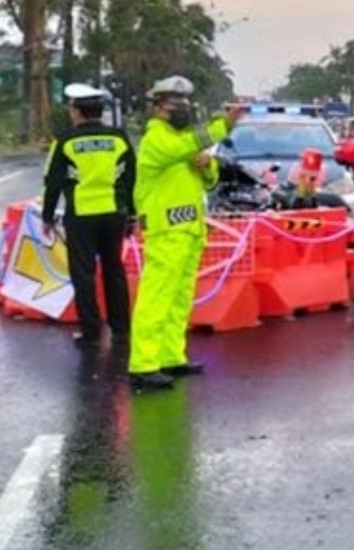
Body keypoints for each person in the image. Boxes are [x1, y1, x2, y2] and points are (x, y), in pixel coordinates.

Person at [128, 77, 245, 390]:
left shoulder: (182, 143)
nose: (181, 109)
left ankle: (170, 356)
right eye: (173, 104)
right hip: (166, 232)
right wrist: (222, 126)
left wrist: (207, 165)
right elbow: (180, 149)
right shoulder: (157, 140)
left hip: (189, 230)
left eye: (184, 103)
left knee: (179, 298)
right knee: (157, 298)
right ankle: (143, 363)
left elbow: (209, 181)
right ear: (157, 107)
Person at [42, 83, 137, 350]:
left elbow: (53, 181)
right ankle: (121, 329)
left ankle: (91, 330)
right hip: (113, 213)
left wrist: (47, 217)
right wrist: (131, 214)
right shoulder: (118, 138)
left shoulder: (65, 140)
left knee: (83, 273)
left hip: (81, 215)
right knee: (113, 270)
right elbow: (130, 179)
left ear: (76, 112)